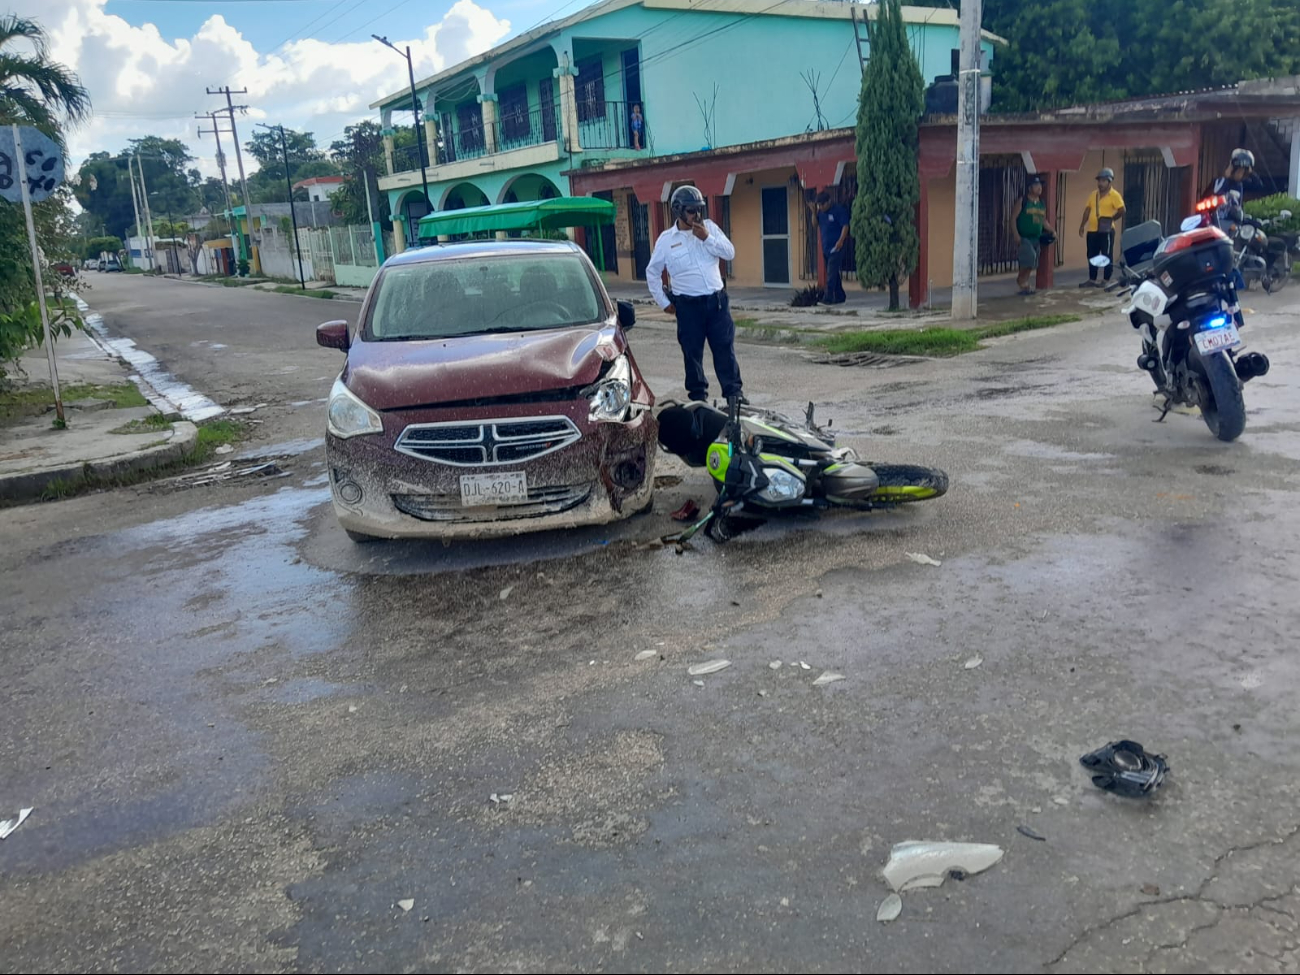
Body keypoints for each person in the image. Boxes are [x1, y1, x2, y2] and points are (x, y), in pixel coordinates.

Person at [646, 185, 743, 403]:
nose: (696, 215)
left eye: (699, 210)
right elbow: (652, 273)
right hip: (688, 307)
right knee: (692, 354)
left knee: (724, 349)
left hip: (716, 303)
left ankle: (734, 395)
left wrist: (707, 238)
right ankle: (699, 399)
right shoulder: (666, 240)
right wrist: (663, 302)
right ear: (678, 211)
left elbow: (730, 252)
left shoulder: (709, 228)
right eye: (691, 210)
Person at [1078, 167, 1125, 287]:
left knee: (1106, 254)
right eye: (1099, 181)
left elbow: (1122, 210)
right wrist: (1082, 225)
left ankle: (1106, 280)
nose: (1100, 183)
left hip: (1107, 230)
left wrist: (1111, 219)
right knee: (1092, 255)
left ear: (1109, 182)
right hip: (1092, 230)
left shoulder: (1114, 195)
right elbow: (1087, 210)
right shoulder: (1093, 195)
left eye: (1104, 181)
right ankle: (1092, 279)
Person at [812, 191, 851, 304]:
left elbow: (845, 226)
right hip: (826, 247)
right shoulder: (820, 212)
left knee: (831, 273)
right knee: (834, 273)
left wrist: (841, 241)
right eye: (819, 205)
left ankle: (828, 298)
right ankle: (840, 296)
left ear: (829, 201)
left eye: (822, 205)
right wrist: (814, 213)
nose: (820, 207)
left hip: (836, 247)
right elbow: (815, 225)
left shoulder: (838, 210)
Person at [1013, 175, 1047, 295]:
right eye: (1036, 185)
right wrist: (1016, 234)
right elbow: (1013, 219)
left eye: (1040, 185)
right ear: (1030, 188)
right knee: (1029, 258)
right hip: (1024, 237)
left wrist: (1052, 231)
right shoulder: (1023, 201)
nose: (1039, 188)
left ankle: (1024, 283)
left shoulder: (1041, 203)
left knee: (1033, 262)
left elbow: (1043, 220)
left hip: (1035, 237)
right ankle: (1021, 279)